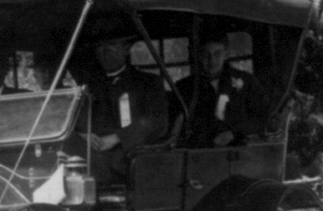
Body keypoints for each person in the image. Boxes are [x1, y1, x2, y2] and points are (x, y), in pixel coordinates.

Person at [84, 35, 170, 172]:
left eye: (111, 44)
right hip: (92, 155)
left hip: (133, 155)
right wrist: (84, 136)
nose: (105, 51)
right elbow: (77, 121)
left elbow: (158, 121)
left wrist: (118, 137)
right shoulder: (88, 87)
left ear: (126, 49)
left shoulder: (149, 82)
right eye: (100, 46)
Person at [179, 36, 271, 148]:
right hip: (199, 154)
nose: (212, 60)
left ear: (226, 54)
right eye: (206, 54)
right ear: (199, 55)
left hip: (241, 152)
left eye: (217, 53)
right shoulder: (183, 88)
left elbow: (263, 117)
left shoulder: (247, 82)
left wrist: (235, 132)